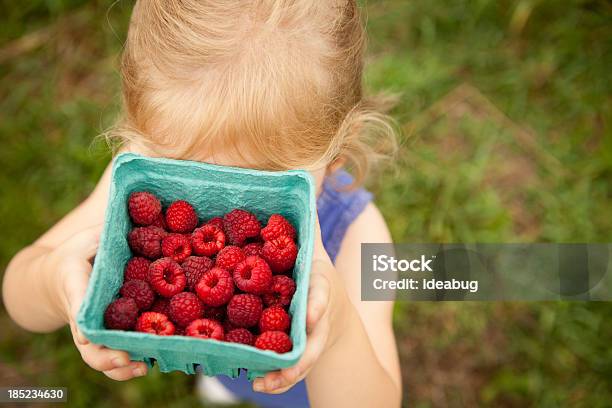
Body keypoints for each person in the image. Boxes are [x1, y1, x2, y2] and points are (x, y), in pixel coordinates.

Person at [3, 1, 401, 406]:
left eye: (261, 183)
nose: (226, 211)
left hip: (309, 392)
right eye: (180, 170)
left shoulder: (360, 236)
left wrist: (339, 331)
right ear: (140, 137)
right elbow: (18, 295)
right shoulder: (133, 191)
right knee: (227, 383)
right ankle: (224, 382)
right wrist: (56, 280)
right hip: (210, 345)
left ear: (337, 156)